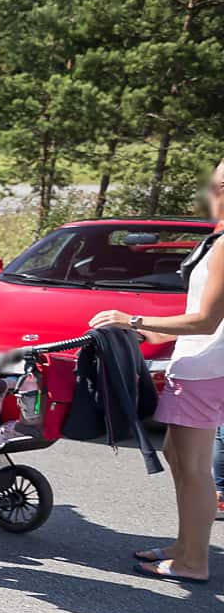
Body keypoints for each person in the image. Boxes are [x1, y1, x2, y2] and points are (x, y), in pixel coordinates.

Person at [88, 158, 224, 583]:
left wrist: (133, 320)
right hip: (200, 361)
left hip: (207, 365)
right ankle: (186, 547)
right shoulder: (219, 238)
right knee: (177, 456)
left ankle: (193, 561)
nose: (212, 192)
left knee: (193, 466)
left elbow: (207, 320)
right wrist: (153, 332)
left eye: (219, 185)